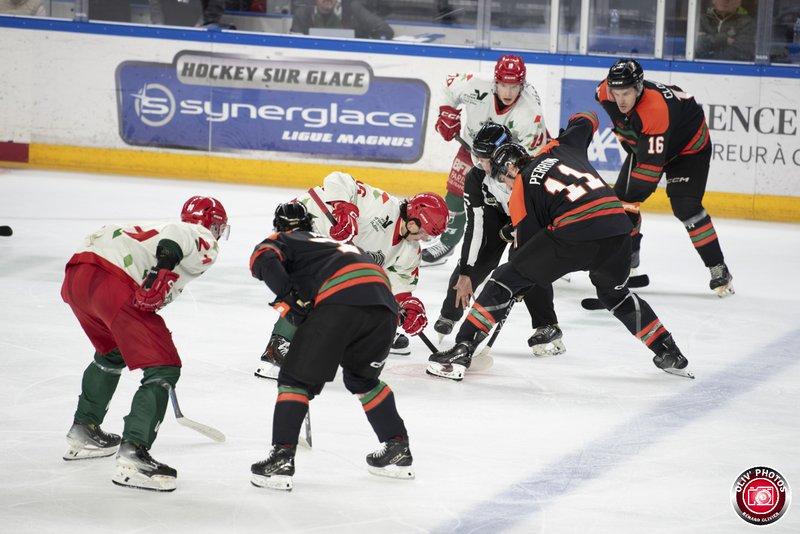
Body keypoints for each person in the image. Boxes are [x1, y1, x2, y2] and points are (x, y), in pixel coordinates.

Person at [427, 112, 693, 382]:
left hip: (575, 234)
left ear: (509, 170)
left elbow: (525, 253)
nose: (505, 184)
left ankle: (462, 349)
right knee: (616, 296)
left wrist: (516, 284)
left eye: (503, 178)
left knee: (503, 279)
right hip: (618, 228)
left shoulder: (520, 192)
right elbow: (586, 119)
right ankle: (668, 350)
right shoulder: (559, 147)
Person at [60, 196, 228, 492]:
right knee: (163, 366)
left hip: (77, 276)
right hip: (112, 280)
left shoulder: (155, 229)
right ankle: (134, 456)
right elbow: (179, 237)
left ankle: (84, 429)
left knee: (112, 352)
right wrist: (160, 272)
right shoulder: (199, 236)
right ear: (213, 225)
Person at [249, 202, 415, 490]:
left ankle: (281, 460)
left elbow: (262, 259)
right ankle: (396, 448)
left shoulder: (283, 238)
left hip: (341, 299)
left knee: (294, 380)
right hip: (384, 305)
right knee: (362, 379)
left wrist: (289, 297)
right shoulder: (338, 244)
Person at [255, 172, 448, 379]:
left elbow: (398, 287)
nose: (424, 239)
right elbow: (337, 178)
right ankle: (278, 347)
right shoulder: (381, 204)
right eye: (424, 232)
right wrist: (344, 210)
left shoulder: (410, 251)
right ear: (413, 222)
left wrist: (406, 308)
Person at [595, 58, 734, 296]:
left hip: (688, 150)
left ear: (639, 88)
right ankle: (628, 261)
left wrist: (615, 205)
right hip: (648, 144)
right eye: (616, 93)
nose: (621, 100)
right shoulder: (603, 93)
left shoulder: (655, 108)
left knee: (685, 206)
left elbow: (647, 178)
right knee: (623, 204)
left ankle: (718, 267)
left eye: (626, 93)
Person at [432, 121, 565, 356]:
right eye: (477, 158)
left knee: (528, 263)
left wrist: (514, 231)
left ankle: (547, 324)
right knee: (475, 260)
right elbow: (475, 225)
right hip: (496, 216)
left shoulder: (526, 170)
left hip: (529, 220)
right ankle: (449, 314)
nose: (480, 165)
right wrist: (466, 271)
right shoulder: (476, 178)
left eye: (484, 159)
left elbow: (539, 215)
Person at [424, 54, 549, 266]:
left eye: (514, 86)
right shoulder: (476, 84)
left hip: (510, 160)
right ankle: (447, 242)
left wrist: (505, 173)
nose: (508, 93)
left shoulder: (530, 113)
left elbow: (531, 160)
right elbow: (449, 85)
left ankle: (540, 248)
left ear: (522, 85)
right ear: (495, 81)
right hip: (474, 147)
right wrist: (447, 113)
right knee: (455, 194)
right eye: (503, 85)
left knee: (519, 202)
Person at [290, 0, 394, 40]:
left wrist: (364, 45)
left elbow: (385, 31)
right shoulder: (303, 13)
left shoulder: (353, 8)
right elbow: (294, 42)